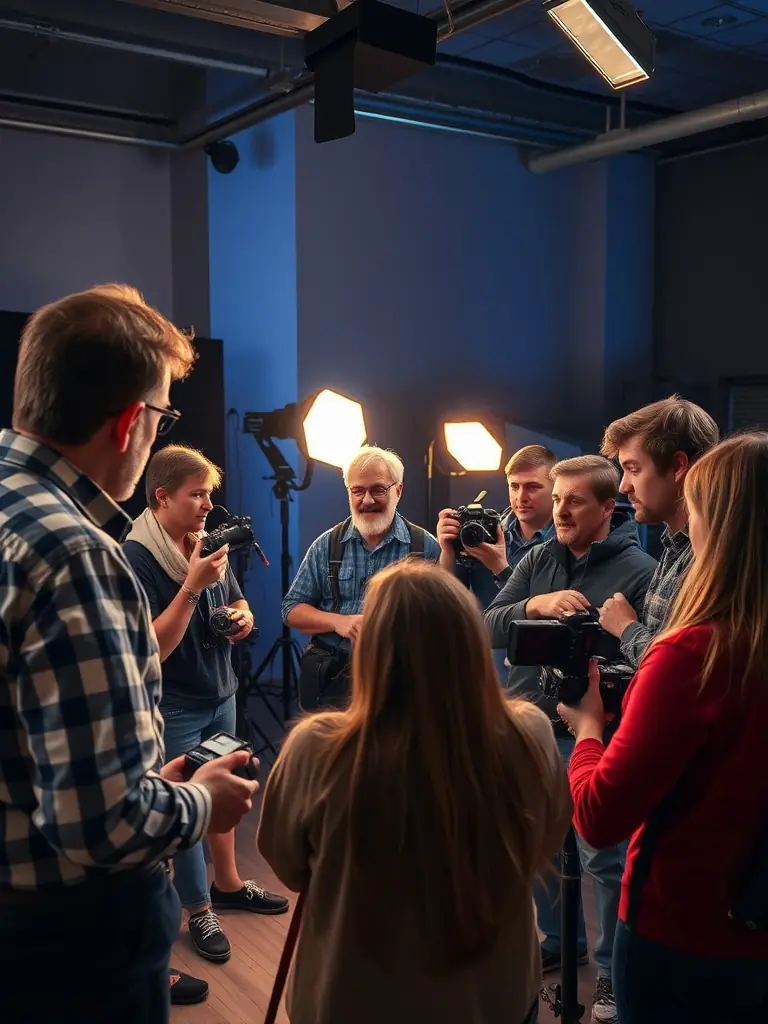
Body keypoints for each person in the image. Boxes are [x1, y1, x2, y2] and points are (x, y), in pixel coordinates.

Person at [0, 285, 258, 1024]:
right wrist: (203, 799)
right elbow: (100, 825)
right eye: (163, 417)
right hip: (62, 943)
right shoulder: (77, 554)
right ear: (128, 425)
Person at [259, 559, 572, 1024]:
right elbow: (544, 841)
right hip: (490, 997)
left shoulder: (316, 747)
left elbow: (287, 862)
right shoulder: (530, 733)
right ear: (469, 641)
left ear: (374, 646)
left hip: (352, 996)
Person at [559, 433, 768, 1024]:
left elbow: (599, 817)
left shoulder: (690, 655)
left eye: (695, 511)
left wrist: (588, 730)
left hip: (680, 933)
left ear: (720, 526)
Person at [485, 454, 657, 1024]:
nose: (559, 509)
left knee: (601, 859)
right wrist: (534, 604)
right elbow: (489, 624)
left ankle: (608, 974)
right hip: (525, 727)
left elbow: (650, 658)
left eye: (573, 500)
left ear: (609, 507)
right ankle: (563, 943)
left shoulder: (640, 570)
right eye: (556, 499)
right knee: (535, 847)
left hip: (592, 733)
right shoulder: (537, 559)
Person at [124, 445, 288, 964]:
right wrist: (194, 587)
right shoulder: (135, 558)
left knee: (226, 793)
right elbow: (152, 647)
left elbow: (237, 601)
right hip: (174, 704)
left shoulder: (202, 540)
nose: (206, 505)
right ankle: (197, 910)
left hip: (222, 691)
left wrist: (242, 621)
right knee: (191, 804)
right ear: (162, 496)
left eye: (210, 494)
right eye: (197, 495)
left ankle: (230, 884)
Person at [283, 445, 440, 710]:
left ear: (398, 491)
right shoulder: (326, 545)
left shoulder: (425, 547)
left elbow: (441, 621)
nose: (366, 500)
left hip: (403, 675)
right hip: (335, 678)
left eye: (378, 489)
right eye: (358, 491)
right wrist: (338, 622)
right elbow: (291, 610)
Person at [597, 396, 719, 665]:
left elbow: (682, 666)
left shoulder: (710, 556)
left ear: (677, 466)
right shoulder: (674, 544)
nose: (623, 487)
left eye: (633, 469)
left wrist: (626, 628)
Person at [437, 444, 556, 601]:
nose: (521, 497)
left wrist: (500, 569)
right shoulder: (484, 532)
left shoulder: (567, 542)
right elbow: (448, 600)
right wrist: (447, 553)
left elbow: (544, 611)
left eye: (532, 487)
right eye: (514, 486)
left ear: (556, 488)